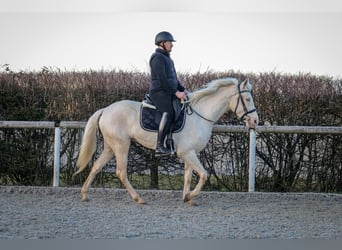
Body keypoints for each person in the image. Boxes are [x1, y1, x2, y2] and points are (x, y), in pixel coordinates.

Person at [148, 31, 187, 155]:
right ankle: (159, 146)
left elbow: (173, 79)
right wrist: (176, 93)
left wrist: (182, 89)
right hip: (159, 92)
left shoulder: (167, 59)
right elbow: (163, 80)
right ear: (162, 43)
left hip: (168, 92)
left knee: (178, 110)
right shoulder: (157, 58)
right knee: (168, 111)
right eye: (170, 42)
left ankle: (170, 140)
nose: (172, 45)